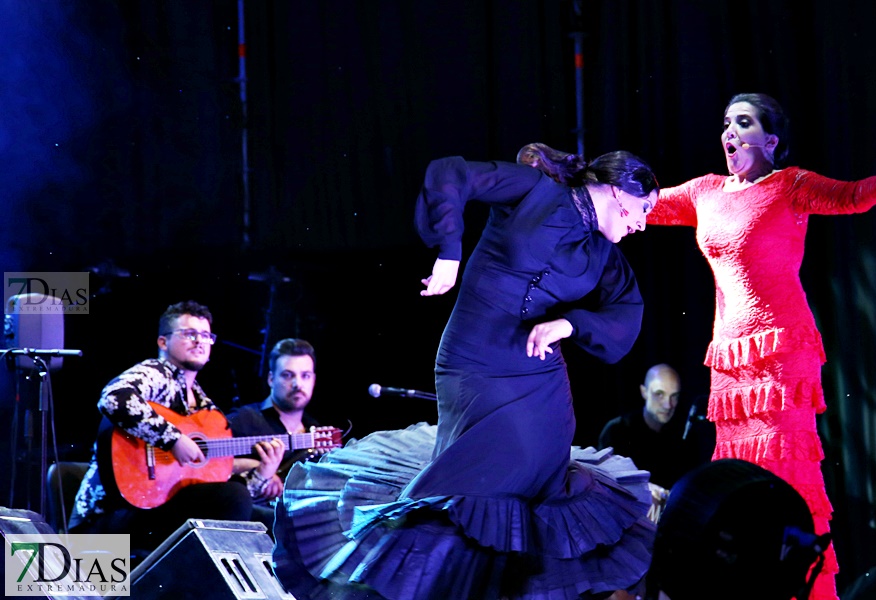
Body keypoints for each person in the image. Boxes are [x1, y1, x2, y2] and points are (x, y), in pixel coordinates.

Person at [273, 144, 661, 599]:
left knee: (533, 498)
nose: (642, 223)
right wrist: (450, 252)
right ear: (617, 191)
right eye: (642, 209)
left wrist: (570, 323)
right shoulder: (536, 190)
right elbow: (449, 173)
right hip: (475, 359)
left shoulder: (603, 254)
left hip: (541, 382)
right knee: (472, 488)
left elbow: (627, 312)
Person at [646, 93, 876, 600]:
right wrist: (587, 182)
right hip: (730, 358)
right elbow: (646, 205)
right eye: (726, 122)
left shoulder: (790, 185)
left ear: (771, 140)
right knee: (737, 479)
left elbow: (848, 196)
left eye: (743, 122)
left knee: (783, 471)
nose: (730, 131)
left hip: (781, 350)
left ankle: (805, 591)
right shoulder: (705, 192)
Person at [68, 300, 282, 552]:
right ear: (163, 342)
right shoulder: (158, 373)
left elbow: (215, 485)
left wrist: (262, 475)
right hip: (111, 514)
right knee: (233, 498)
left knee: (253, 511)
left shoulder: (205, 407)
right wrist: (173, 439)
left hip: (159, 507)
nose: (199, 341)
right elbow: (114, 397)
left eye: (205, 335)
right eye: (189, 334)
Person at [227, 338, 323, 528]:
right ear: (271, 379)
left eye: (305, 376)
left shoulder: (315, 430)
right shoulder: (244, 419)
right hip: (253, 525)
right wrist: (255, 466)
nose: (297, 384)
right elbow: (204, 463)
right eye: (288, 375)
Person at [598, 363, 712, 521]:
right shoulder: (617, 431)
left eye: (674, 396)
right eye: (659, 394)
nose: (668, 405)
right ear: (644, 392)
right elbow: (603, 485)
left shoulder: (684, 435)